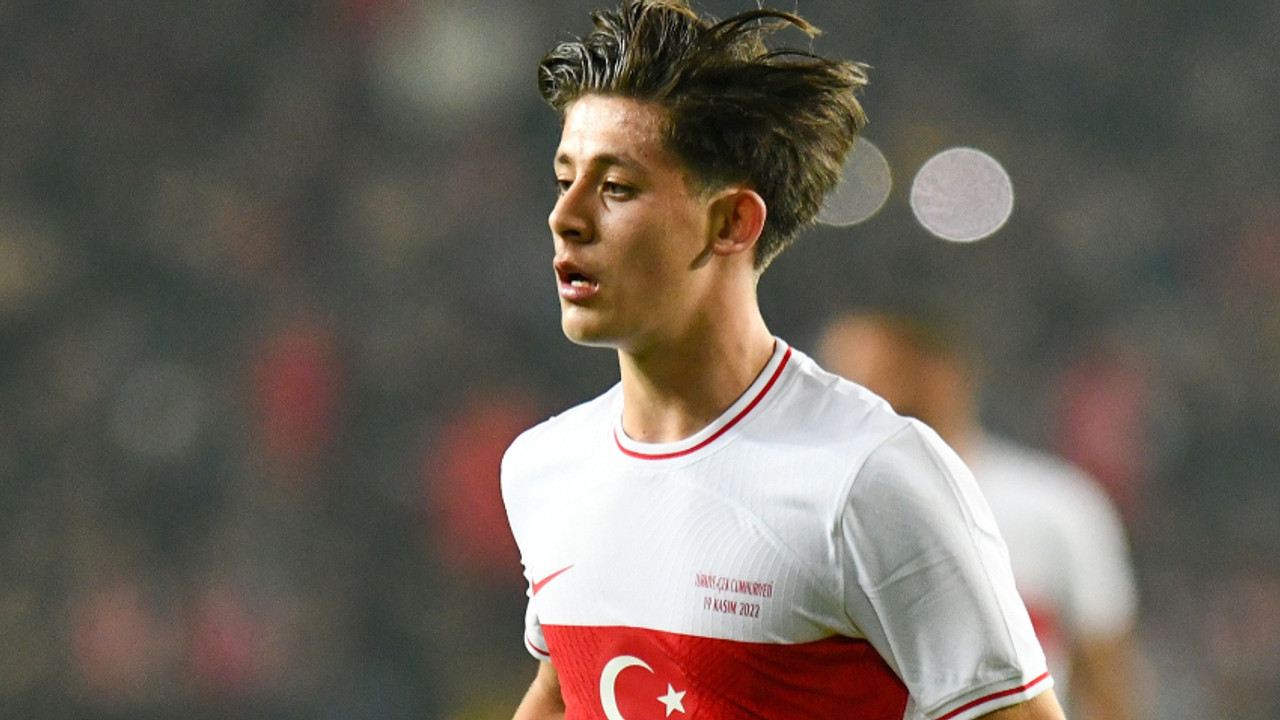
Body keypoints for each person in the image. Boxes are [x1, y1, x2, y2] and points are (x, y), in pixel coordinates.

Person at [501, 2, 1065, 718]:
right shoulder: (543, 468)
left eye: (616, 188)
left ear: (732, 222)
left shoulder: (869, 477)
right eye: (565, 181)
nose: (566, 217)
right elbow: (567, 689)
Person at [817, 309, 1143, 720]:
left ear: (944, 373)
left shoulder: (1056, 508)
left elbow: (1106, 680)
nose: (859, 392)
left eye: (884, 372)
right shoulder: (816, 512)